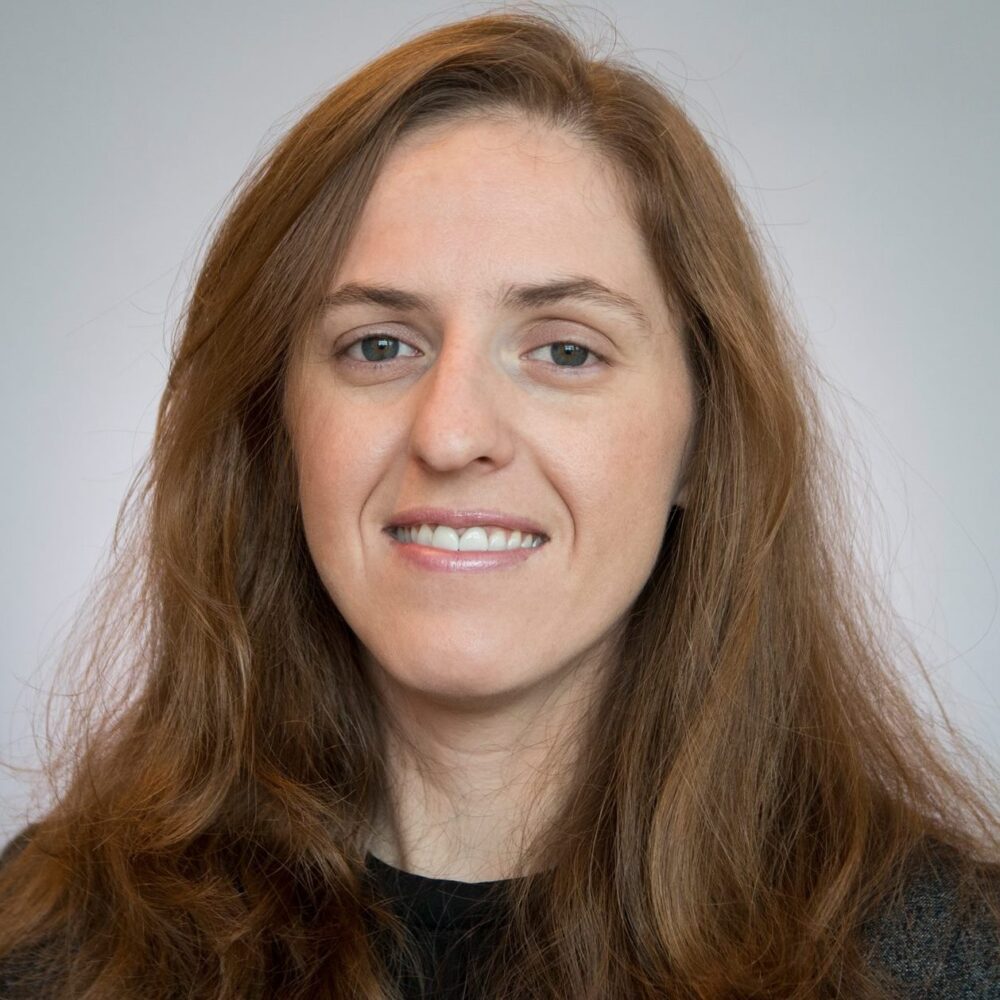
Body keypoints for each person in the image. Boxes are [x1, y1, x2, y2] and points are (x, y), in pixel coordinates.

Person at [1, 6, 998, 998]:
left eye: (565, 349)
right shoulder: (49, 944)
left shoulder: (940, 958)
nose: (449, 433)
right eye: (378, 345)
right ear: (275, 429)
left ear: (703, 441)